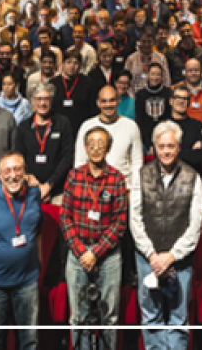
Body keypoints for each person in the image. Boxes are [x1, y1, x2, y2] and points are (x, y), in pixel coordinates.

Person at [130, 121, 202, 350]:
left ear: (179, 147)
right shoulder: (141, 175)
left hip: (180, 262)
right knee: (151, 317)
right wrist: (152, 255)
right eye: (161, 146)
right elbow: (135, 219)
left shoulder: (193, 177)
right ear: (153, 148)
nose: (166, 151)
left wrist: (171, 256)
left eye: (171, 146)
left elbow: (195, 225)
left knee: (178, 319)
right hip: (147, 259)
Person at [61, 126, 128, 349]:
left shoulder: (117, 178)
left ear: (108, 148)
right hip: (78, 254)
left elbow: (120, 222)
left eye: (101, 144)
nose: (96, 148)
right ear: (85, 147)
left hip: (108, 256)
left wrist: (96, 253)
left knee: (110, 317)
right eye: (91, 144)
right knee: (78, 317)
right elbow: (65, 217)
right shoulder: (74, 176)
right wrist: (82, 252)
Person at [0, 152, 41, 350]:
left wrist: (39, 263)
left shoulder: (34, 194)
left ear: (25, 171)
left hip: (27, 282)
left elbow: (38, 230)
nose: (13, 175)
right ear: (0, 175)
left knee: (30, 342)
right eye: (7, 171)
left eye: (17, 169)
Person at [75, 85, 143, 194]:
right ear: (98, 103)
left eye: (112, 100)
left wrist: (135, 191)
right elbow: (80, 162)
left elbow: (137, 163)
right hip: (93, 188)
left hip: (123, 189)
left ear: (118, 101)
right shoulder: (86, 126)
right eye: (104, 101)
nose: (108, 105)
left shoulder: (131, 126)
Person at [15, 82, 74, 205]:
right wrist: (29, 177)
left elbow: (67, 157)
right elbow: (19, 156)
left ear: (52, 100)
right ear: (32, 101)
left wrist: (49, 185)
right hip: (29, 189)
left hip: (57, 191)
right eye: (39, 99)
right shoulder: (23, 127)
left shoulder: (63, 123)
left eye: (46, 99)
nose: (42, 103)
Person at [51, 50, 98, 138]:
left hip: (82, 128)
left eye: (75, 63)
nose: (72, 66)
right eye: (69, 62)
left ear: (80, 65)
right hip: (58, 128)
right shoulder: (53, 84)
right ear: (63, 64)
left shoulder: (88, 83)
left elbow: (93, 109)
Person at [164, 83, 202, 169]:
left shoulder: (197, 125)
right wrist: (189, 152)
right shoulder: (163, 126)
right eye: (178, 97)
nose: (181, 101)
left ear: (189, 102)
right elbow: (158, 154)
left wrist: (171, 151)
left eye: (185, 98)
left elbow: (201, 155)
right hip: (167, 174)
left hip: (192, 173)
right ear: (171, 101)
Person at [125, 26, 171, 96]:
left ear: (153, 42)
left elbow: (166, 81)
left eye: (149, 41)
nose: (146, 44)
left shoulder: (161, 58)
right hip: (135, 97)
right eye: (144, 41)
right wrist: (131, 98)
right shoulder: (131, 59)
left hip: (157, 97)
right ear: (139, 42)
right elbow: (126, 81)